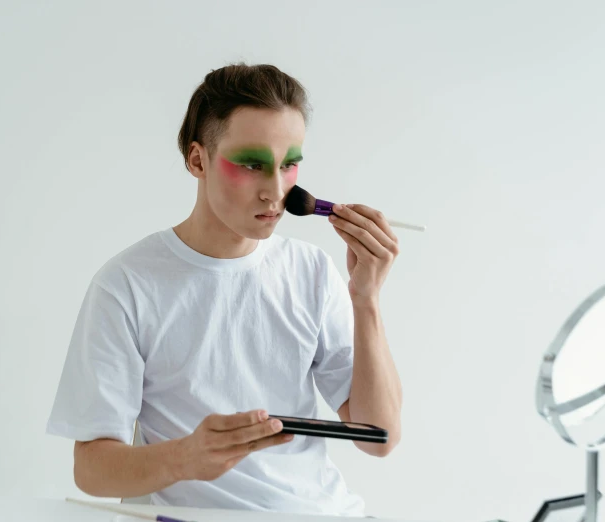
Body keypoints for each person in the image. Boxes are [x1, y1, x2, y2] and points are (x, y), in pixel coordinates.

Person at [46, 63, 403, 517]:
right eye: (252, 165)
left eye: (289, 165)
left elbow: (380, 437)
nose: (275, 192)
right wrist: (186, 457)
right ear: (198, 160)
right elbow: (91, 470)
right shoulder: (127, 285)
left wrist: (366, 298)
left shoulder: (312, 271)